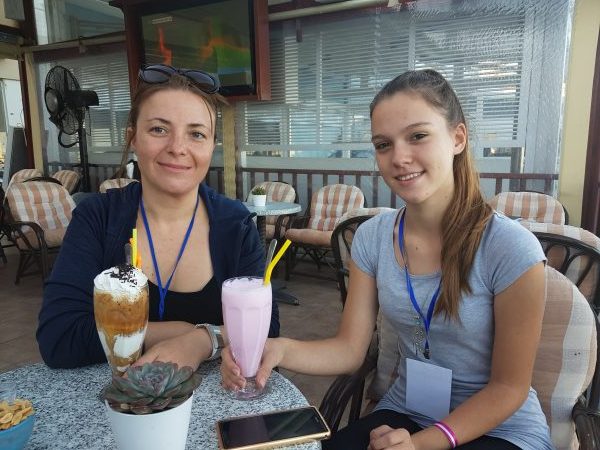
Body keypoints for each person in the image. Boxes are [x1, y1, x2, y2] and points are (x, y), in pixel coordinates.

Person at [222, 69, 552, 450]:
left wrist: (422, 444)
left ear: (458, 138)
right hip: (409, 412)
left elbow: (509, 388)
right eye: (383, 144)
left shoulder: (511, 249)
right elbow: (350, 349)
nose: (399, 158)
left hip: (500, 429)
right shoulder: (372, 238)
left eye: (417, 136)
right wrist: (279, 349)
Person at [37, 64, 279, 370]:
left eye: (196, 134)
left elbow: (266, 332)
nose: (178, 148)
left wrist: (202, 341)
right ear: (133, 138)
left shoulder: (235, 224)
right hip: (116, 395)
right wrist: (182, 333)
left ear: (211, 146)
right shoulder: (98, 218)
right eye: (159, 129)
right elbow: (59, 337)